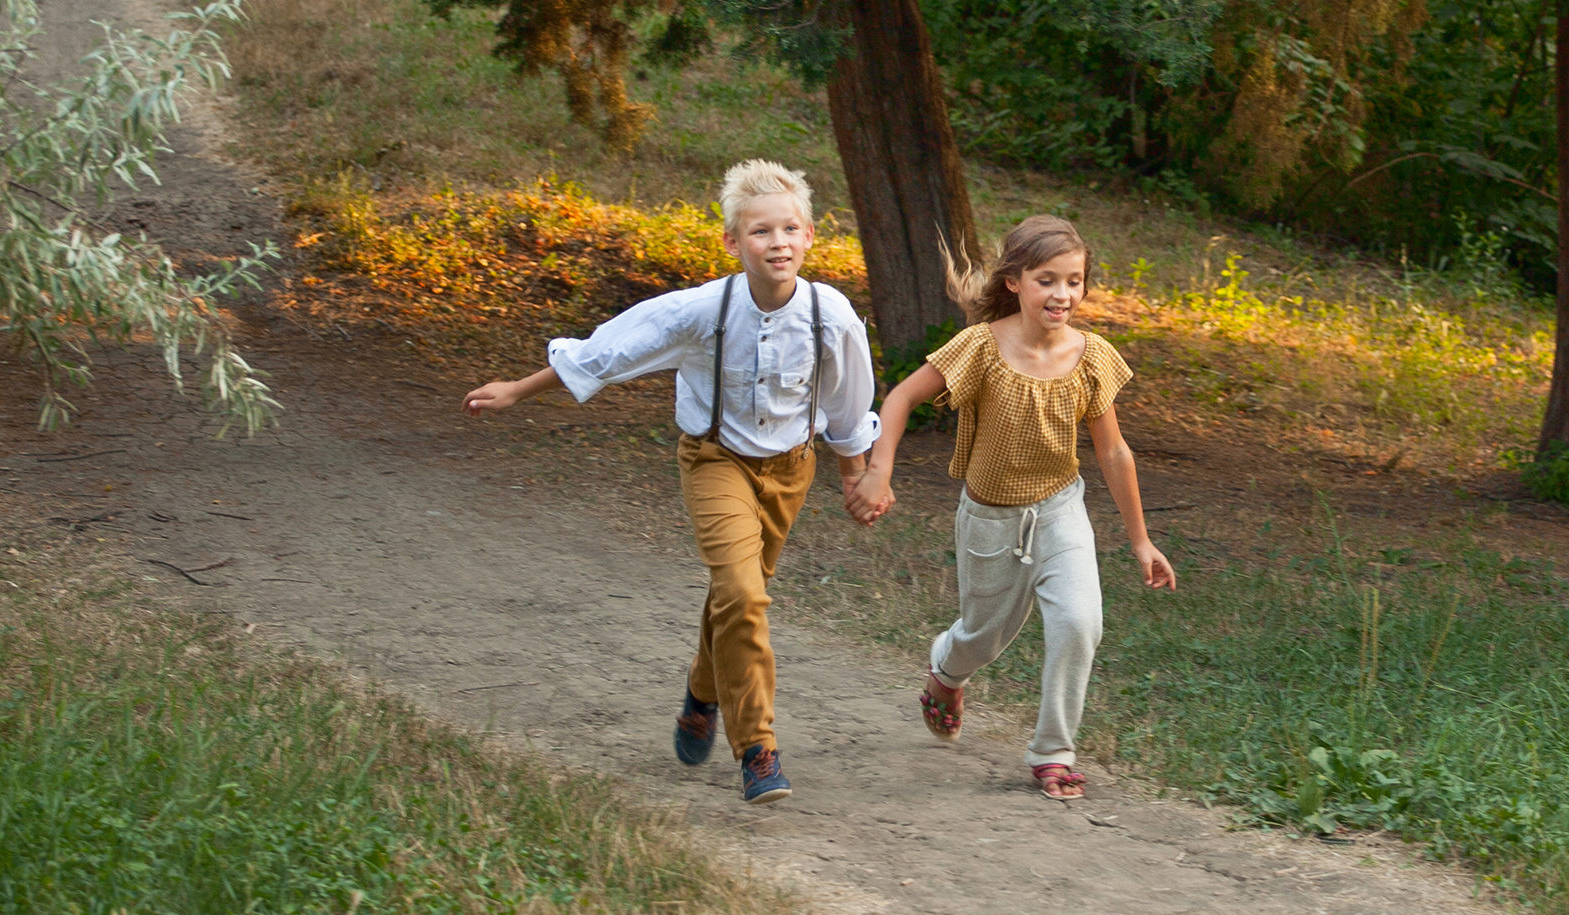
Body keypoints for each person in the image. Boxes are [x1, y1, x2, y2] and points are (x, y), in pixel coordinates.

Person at [462, 159, 881, 805]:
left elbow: (849, 401)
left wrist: (856, 477)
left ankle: (702, 689)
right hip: (716, 460)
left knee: (738, 595)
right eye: (761, 231)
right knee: (742, 594)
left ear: (809, 235)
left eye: (790, 228)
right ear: (733, 242)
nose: (778, 242)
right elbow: (610, 350)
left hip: (791, 468)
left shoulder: (831, 315)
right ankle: (758, 751)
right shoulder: (699, 310)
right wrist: (519, 388)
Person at [850, 215, 1175, 800]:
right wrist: (879, 469)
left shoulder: (1092, 355)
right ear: (1015, 283)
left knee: (1079, 622)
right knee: (981, 636)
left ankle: (1053, 752)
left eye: (1074, 281)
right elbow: (900, 396)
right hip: (990, 520)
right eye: (1047, 280)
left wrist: (1141, 541)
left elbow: (1114, 451)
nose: (1063, 295)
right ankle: (947, 673)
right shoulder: (980, 348)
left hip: (1060, 512)